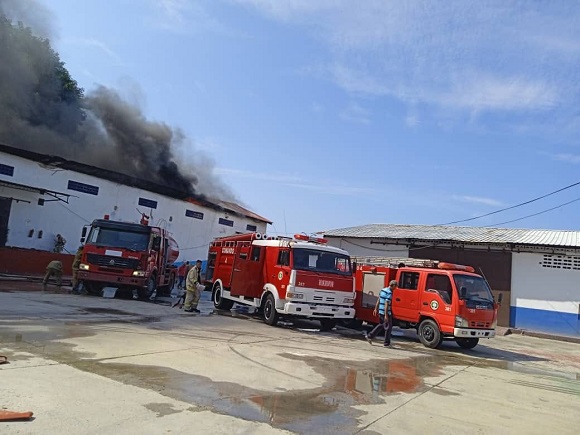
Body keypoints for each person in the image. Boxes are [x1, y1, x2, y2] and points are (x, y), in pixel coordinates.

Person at [365, 279, 396, 347]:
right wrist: (386, 315)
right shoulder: (389, 293)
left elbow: (378, 299)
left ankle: (370, 336)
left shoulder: (383, 290)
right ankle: (386, 343)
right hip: (386, 312)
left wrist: (376, 308)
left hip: (380, 311)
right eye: (395, 286)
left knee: (381, 325)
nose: (395, 288)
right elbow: (386, 304)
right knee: (388, 327)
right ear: (392, 285)